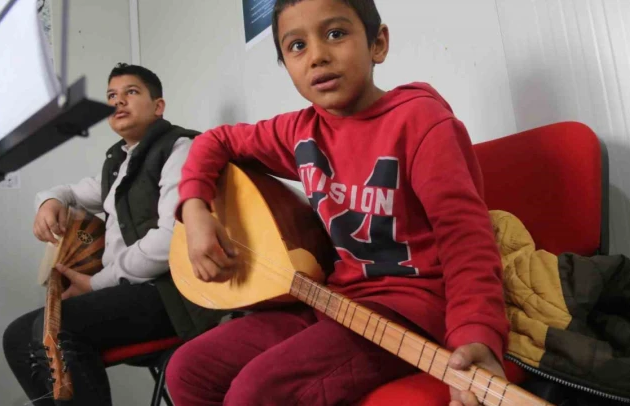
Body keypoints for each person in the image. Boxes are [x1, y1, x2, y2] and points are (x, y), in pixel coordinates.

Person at [167, 1, 509, 405]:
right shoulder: (299, 131)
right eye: (296, 46)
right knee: (187, 370)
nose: (317, 56)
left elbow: (466, 239)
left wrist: (476, 334)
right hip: (334, 301)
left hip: (410, 312)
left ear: (377, 43)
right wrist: (195, 208)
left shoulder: (421, 122)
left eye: (335, 34)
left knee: (255, 392)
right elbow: (215, 140)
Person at [2, 63, 223, 405]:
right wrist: (48, 202)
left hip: (172, 296)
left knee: (58, 328)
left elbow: (172, 239)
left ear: (158, 106)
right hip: (130, 292)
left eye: (131, 92)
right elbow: (67, 193)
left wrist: (97, 283)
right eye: (111, 96)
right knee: (17, 337)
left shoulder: (180, 148)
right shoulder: (117, 165)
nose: (118, 101)